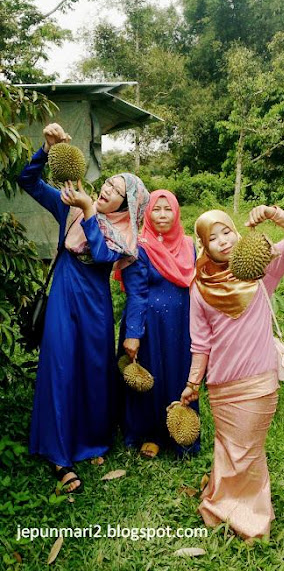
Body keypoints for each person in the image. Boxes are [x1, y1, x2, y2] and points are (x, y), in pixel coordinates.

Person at [18, 123, 150, 492]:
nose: (106, 189)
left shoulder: (123, 232)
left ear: (127, 204)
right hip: (64, 294)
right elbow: (27, 182)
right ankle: (59, 456)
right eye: (107, 183)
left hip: (95, 303)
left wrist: (90, 208)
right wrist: (44, 149)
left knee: (93, 369)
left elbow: (104, 252)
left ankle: (90, 440)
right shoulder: (72, 209)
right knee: (60, 366)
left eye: (117, 191)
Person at [181, 205, 284, 539]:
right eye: (213, 238)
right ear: (203, 245)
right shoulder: (199, 287)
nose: (223, 241)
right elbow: (201, 343)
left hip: (258, 382)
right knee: (227, 447)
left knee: (249, 453)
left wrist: (274, 215)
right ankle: (221, 501)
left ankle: (252, 519)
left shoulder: (260, 270)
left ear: (237, 232)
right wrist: (192, 384)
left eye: (227, 231)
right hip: (221, 385)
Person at [118, 189, 199, 458]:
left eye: (168, 209)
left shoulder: (189, 245)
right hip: (149, 324)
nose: (162, 215)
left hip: (181, 322)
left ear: (176, 212)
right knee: (150, 377)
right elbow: (136, 293)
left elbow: (202, 283)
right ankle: (150, 434)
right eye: (156, 209)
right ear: (147, 213)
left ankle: (182, 435)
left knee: (179, 374)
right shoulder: (139, 247)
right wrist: (133, 333)